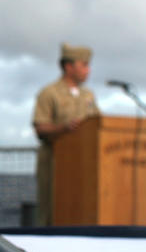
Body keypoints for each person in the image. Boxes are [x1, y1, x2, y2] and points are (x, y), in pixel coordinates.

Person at [32, 43, 100, 226]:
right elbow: (40, 128)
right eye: (84, 65)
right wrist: (63, 128)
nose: (88, 70)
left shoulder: (88, 95)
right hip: (54, 161)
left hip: (83, 163)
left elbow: (97, 124)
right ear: (69, 67)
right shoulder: (49, 93)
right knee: (50, 211)